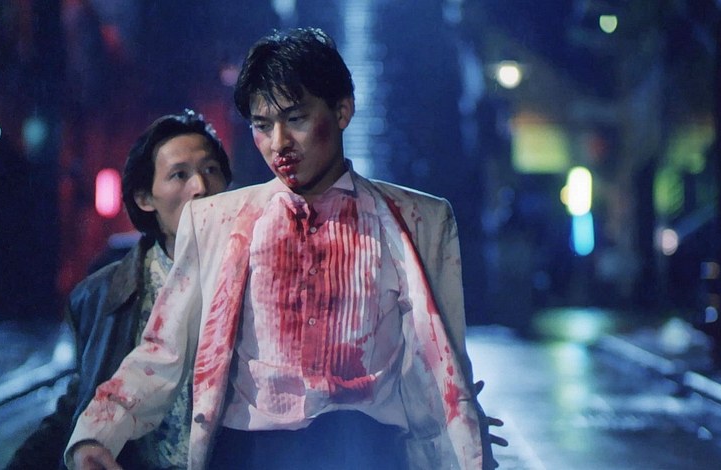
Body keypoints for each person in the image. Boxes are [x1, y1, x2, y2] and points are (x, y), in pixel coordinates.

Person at [66, 27, 499, 470]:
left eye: (295, 119)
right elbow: (162, 351)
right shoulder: (214, 221)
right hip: (249, 454)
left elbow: (442, 366)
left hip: (365, 450)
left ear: (343, 110)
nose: (279, 143)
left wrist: (466, 449)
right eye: (262, 125)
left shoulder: (421, 220)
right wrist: (98, 432)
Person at [5, 109, 232, 470]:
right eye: (179, 174)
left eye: (211, 170)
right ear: (145, 198)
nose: (201, 187)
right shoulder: (101, 294)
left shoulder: (254, 276)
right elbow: (83, 396)